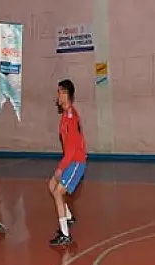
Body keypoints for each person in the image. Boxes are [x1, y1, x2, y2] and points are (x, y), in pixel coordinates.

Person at [48, 79, 86, 246]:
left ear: (64, 94)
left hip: (76, 162)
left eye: (59, 92)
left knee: (58, 192)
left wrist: (60, 168)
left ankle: (65, 234)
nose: (57, 96)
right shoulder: (66, 114)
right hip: (70, 161)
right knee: (52, 185)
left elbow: (71, 150)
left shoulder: (71, 118)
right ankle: (68, 216)